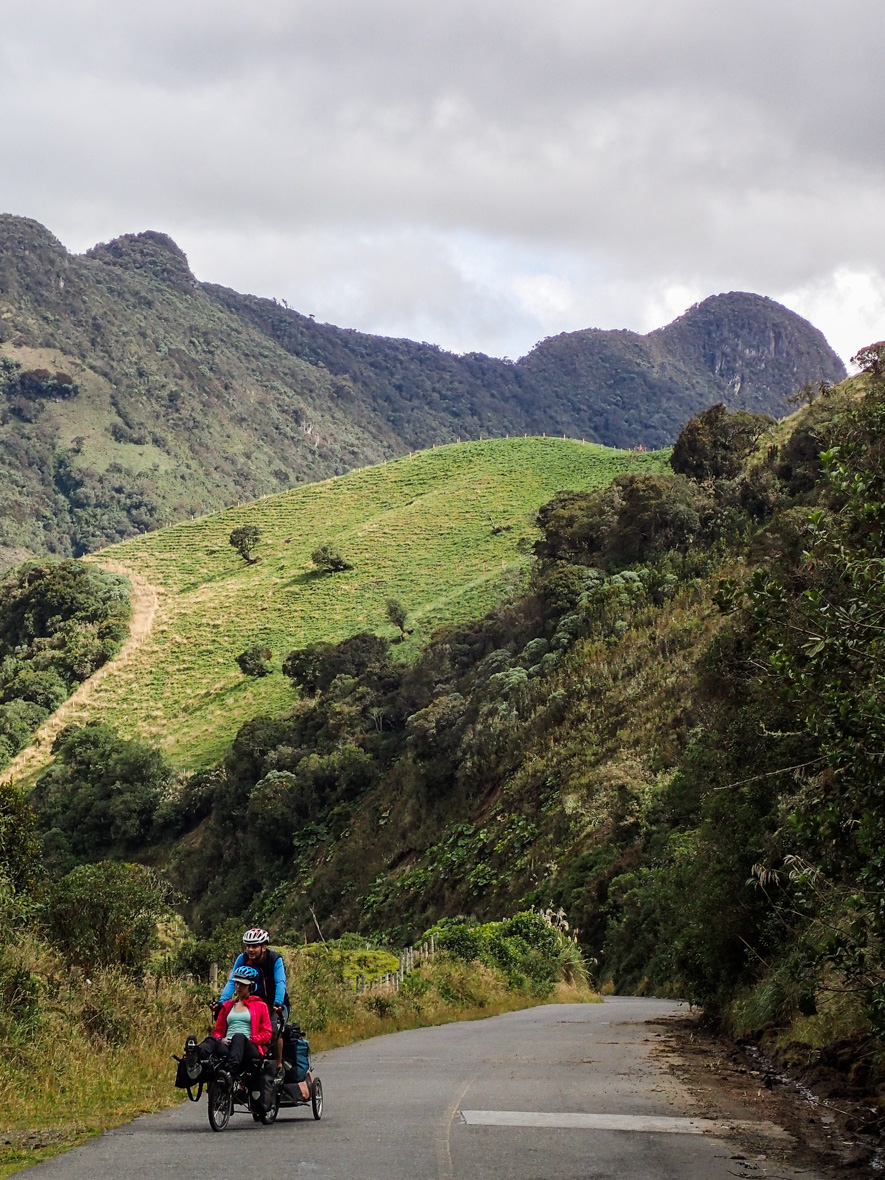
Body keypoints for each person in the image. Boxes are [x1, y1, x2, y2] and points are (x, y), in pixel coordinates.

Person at [217, 927, 289, 1075]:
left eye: (254, 946)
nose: (250, 949)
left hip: (275, 1004)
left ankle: (279, 1067)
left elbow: (280, 982)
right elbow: (232, 981)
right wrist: (222, 1002)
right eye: (248, 946)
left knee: (275, 1030)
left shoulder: (274, 959)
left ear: (263, 947)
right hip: (252, 1004)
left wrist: (278, 1002)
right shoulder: (242, 959)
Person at [194, 965, 272, 1077]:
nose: (238, 987)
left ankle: (230, 1071)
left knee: (239, 1037)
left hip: (249, 1046)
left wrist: (252, 1039)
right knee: (212, 1040)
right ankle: (195, 1058)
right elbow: (218, 1031)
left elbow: (267, 1032)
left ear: (251, 986)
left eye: (242, 984)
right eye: (236, 983)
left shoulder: (260, 1006)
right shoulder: (227, 1006)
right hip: (228, 1045)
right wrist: (221, 1039)